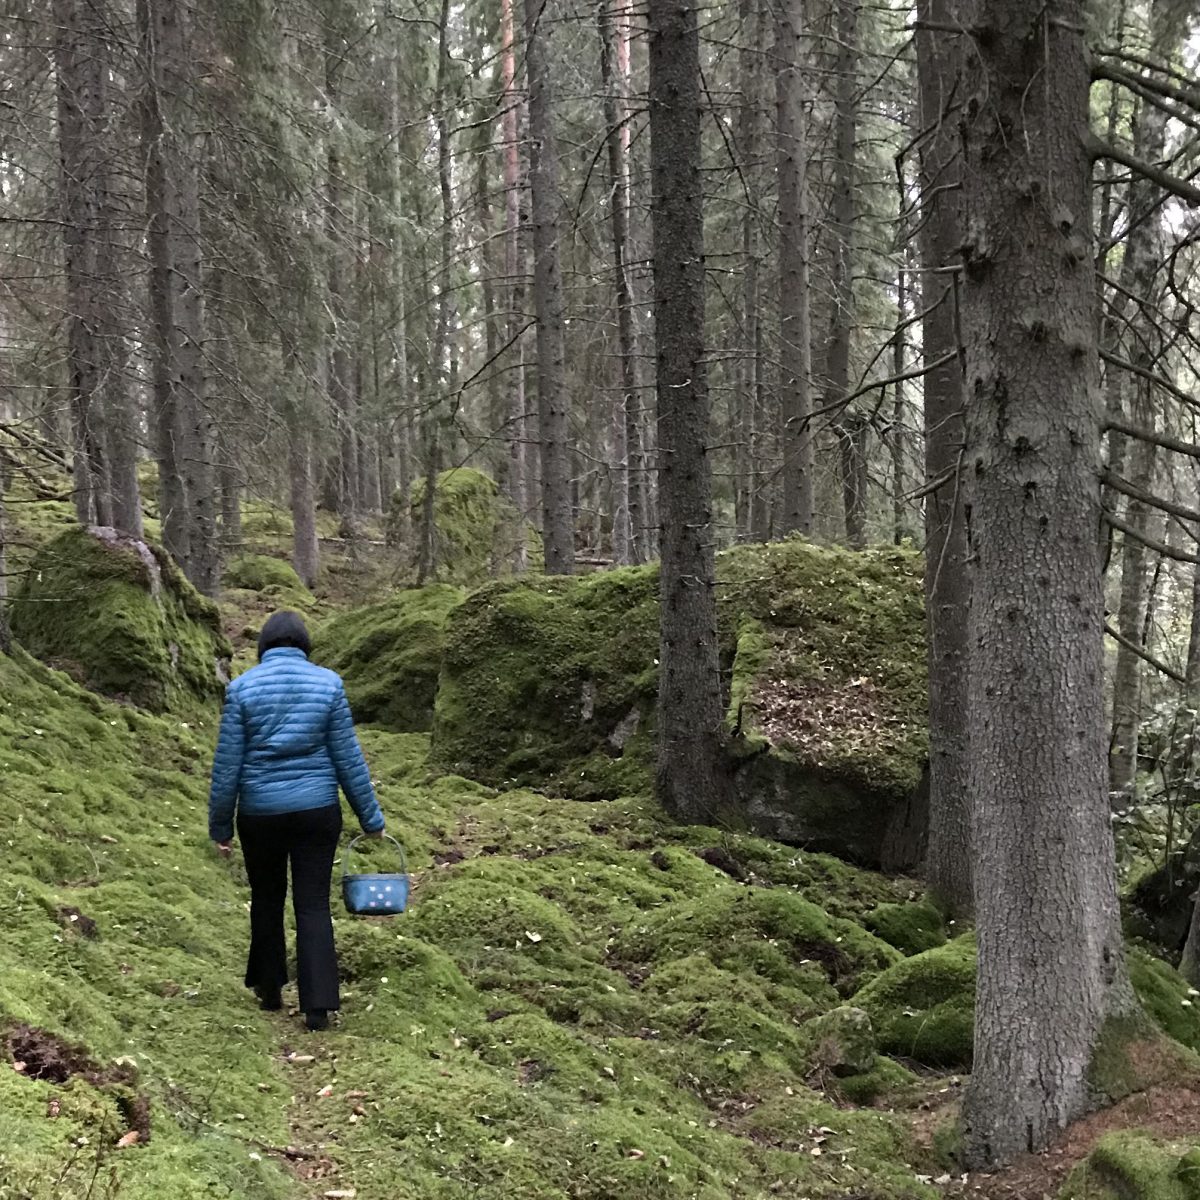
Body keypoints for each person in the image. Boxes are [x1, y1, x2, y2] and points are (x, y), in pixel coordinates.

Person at [208, 610, 384, 1031]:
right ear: (305, 646)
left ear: (264, 647)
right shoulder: (329, 685)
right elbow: (348, 757)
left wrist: (221, 826)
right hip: (316, 812)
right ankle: (319, 1005)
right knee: (312, 904)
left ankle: (269, 988)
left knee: (267, 898)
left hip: (259, 813)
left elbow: (227, 765)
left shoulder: (241, 689)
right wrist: (370, 818)